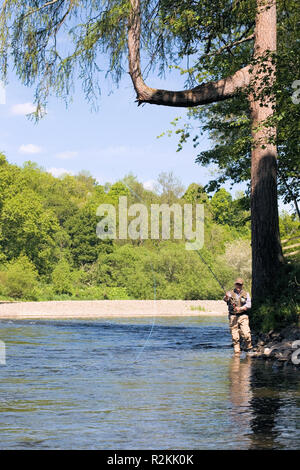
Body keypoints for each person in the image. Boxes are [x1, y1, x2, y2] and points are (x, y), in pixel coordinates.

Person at [223, 278, 253, 355]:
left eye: (240, 284)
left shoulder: (246, 294)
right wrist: (226, 297)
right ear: (235, 284)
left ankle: (249, 348)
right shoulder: (230, 293)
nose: (238, 286)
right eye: (237, 284)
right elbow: (225, 300)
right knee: (235, 337)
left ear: (242, 285)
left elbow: (249, 305)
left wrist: (240, 308)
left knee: (246, 334)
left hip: (243, 316)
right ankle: (237, 354)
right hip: (233, 316)